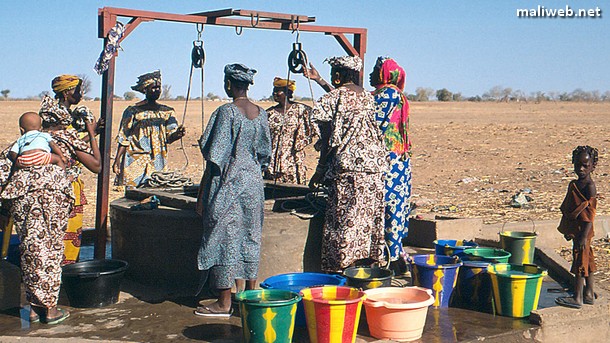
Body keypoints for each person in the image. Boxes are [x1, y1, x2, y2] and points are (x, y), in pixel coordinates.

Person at [0, 78, 101, 324]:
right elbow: (96, 166)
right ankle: (51, 309)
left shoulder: (19, 145)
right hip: (54, 198)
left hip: (23, 200)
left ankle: (34, 309)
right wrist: (91, 133)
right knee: (53, 251)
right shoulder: (66, 138)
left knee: (31, 250)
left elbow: (3, 171)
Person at [194, 63, 271, 317]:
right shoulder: (261, 114)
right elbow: (264, 154)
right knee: (250, 234)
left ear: (228, 83)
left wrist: (202, 195)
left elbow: (214, 156)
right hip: (253, 185)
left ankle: (224, 302)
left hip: (229, 183)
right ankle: (249, 296)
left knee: (222, 236)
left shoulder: (226, 112)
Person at [304, 56, 388, 273]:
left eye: (334, 75)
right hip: (375, 168)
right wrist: (320, 81)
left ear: (339, 76)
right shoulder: (368, 98)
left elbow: (327, 138)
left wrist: (320, 170)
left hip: (349, 168)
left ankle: (341, 272)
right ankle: (367, 269)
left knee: (344, 221)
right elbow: (344, 100)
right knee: (367, 222)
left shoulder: (333, 98)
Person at [43, 75, 102, 265]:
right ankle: (67, 273)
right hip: (67, 184)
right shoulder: (61, 118)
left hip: (53, 182)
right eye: (77, 90)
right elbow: (92, 162)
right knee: (67, 234)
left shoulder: (49, 120)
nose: (80, 94)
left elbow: (68, 146)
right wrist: (91, 135)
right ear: (67, 92)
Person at [370, 57, 412, 274]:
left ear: (384, 74)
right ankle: (395, 254)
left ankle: (391, 258)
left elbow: (367, 116)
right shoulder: (397, 95)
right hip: (399, 160)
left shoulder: (387, 94)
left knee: (388, 206)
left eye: (375, 70)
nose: (370, 74)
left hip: (388, 161)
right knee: (394, 205)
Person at [113, 70, 186, 188]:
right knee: (133, 196)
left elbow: (169, 138)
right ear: (145, 89)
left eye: (159, 88)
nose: (157, 91)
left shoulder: (167, 112)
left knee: (155, 193)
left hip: (158, 160)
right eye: (153, 88)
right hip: (135, 159)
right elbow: (124, 137)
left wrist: (178, 133)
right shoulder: (133, 111)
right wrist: (117, 160)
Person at [555, 146, 598, 309]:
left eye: (585, 166)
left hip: (583, 232)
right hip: (577, 230)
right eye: (577, 165)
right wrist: (568, 229)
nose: (580, 169)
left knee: (580, 262)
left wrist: (582, 236)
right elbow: (569, 207)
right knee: (587, 260)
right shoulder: (575, 184)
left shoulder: (589, 186)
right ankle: (589, 293)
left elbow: (590, 214)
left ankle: (578, 297)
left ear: (592, 166)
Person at [264, 77, 316, 185]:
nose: (275, 94)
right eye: (274, 91)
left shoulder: (301, 110)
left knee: (294, 196)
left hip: (294, 162)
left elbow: (316, 122)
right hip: (273, 164)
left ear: (288, 92)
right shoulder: (268, 114)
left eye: (278, 91)